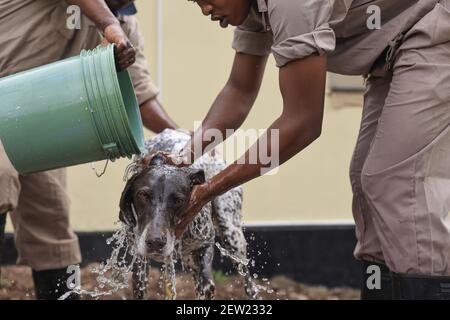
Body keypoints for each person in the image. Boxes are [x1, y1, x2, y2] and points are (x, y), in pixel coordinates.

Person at [174, 0, 450, 299]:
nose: (204, 9)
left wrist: (210, 189)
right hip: (389, 50)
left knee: (396, 183)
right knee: (366, 181)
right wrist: (185, 155)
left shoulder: (290, 4)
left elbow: (303, 123)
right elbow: (240, 91)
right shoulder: (251, 9)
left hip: (433, 28)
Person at [0, 0, 177, 299]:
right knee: (1, 175)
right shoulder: (111, 22)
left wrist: (183, 141)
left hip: (31, 124)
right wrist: (108, 25)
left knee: (52, 220)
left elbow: (139, 95)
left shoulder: (124, 22)